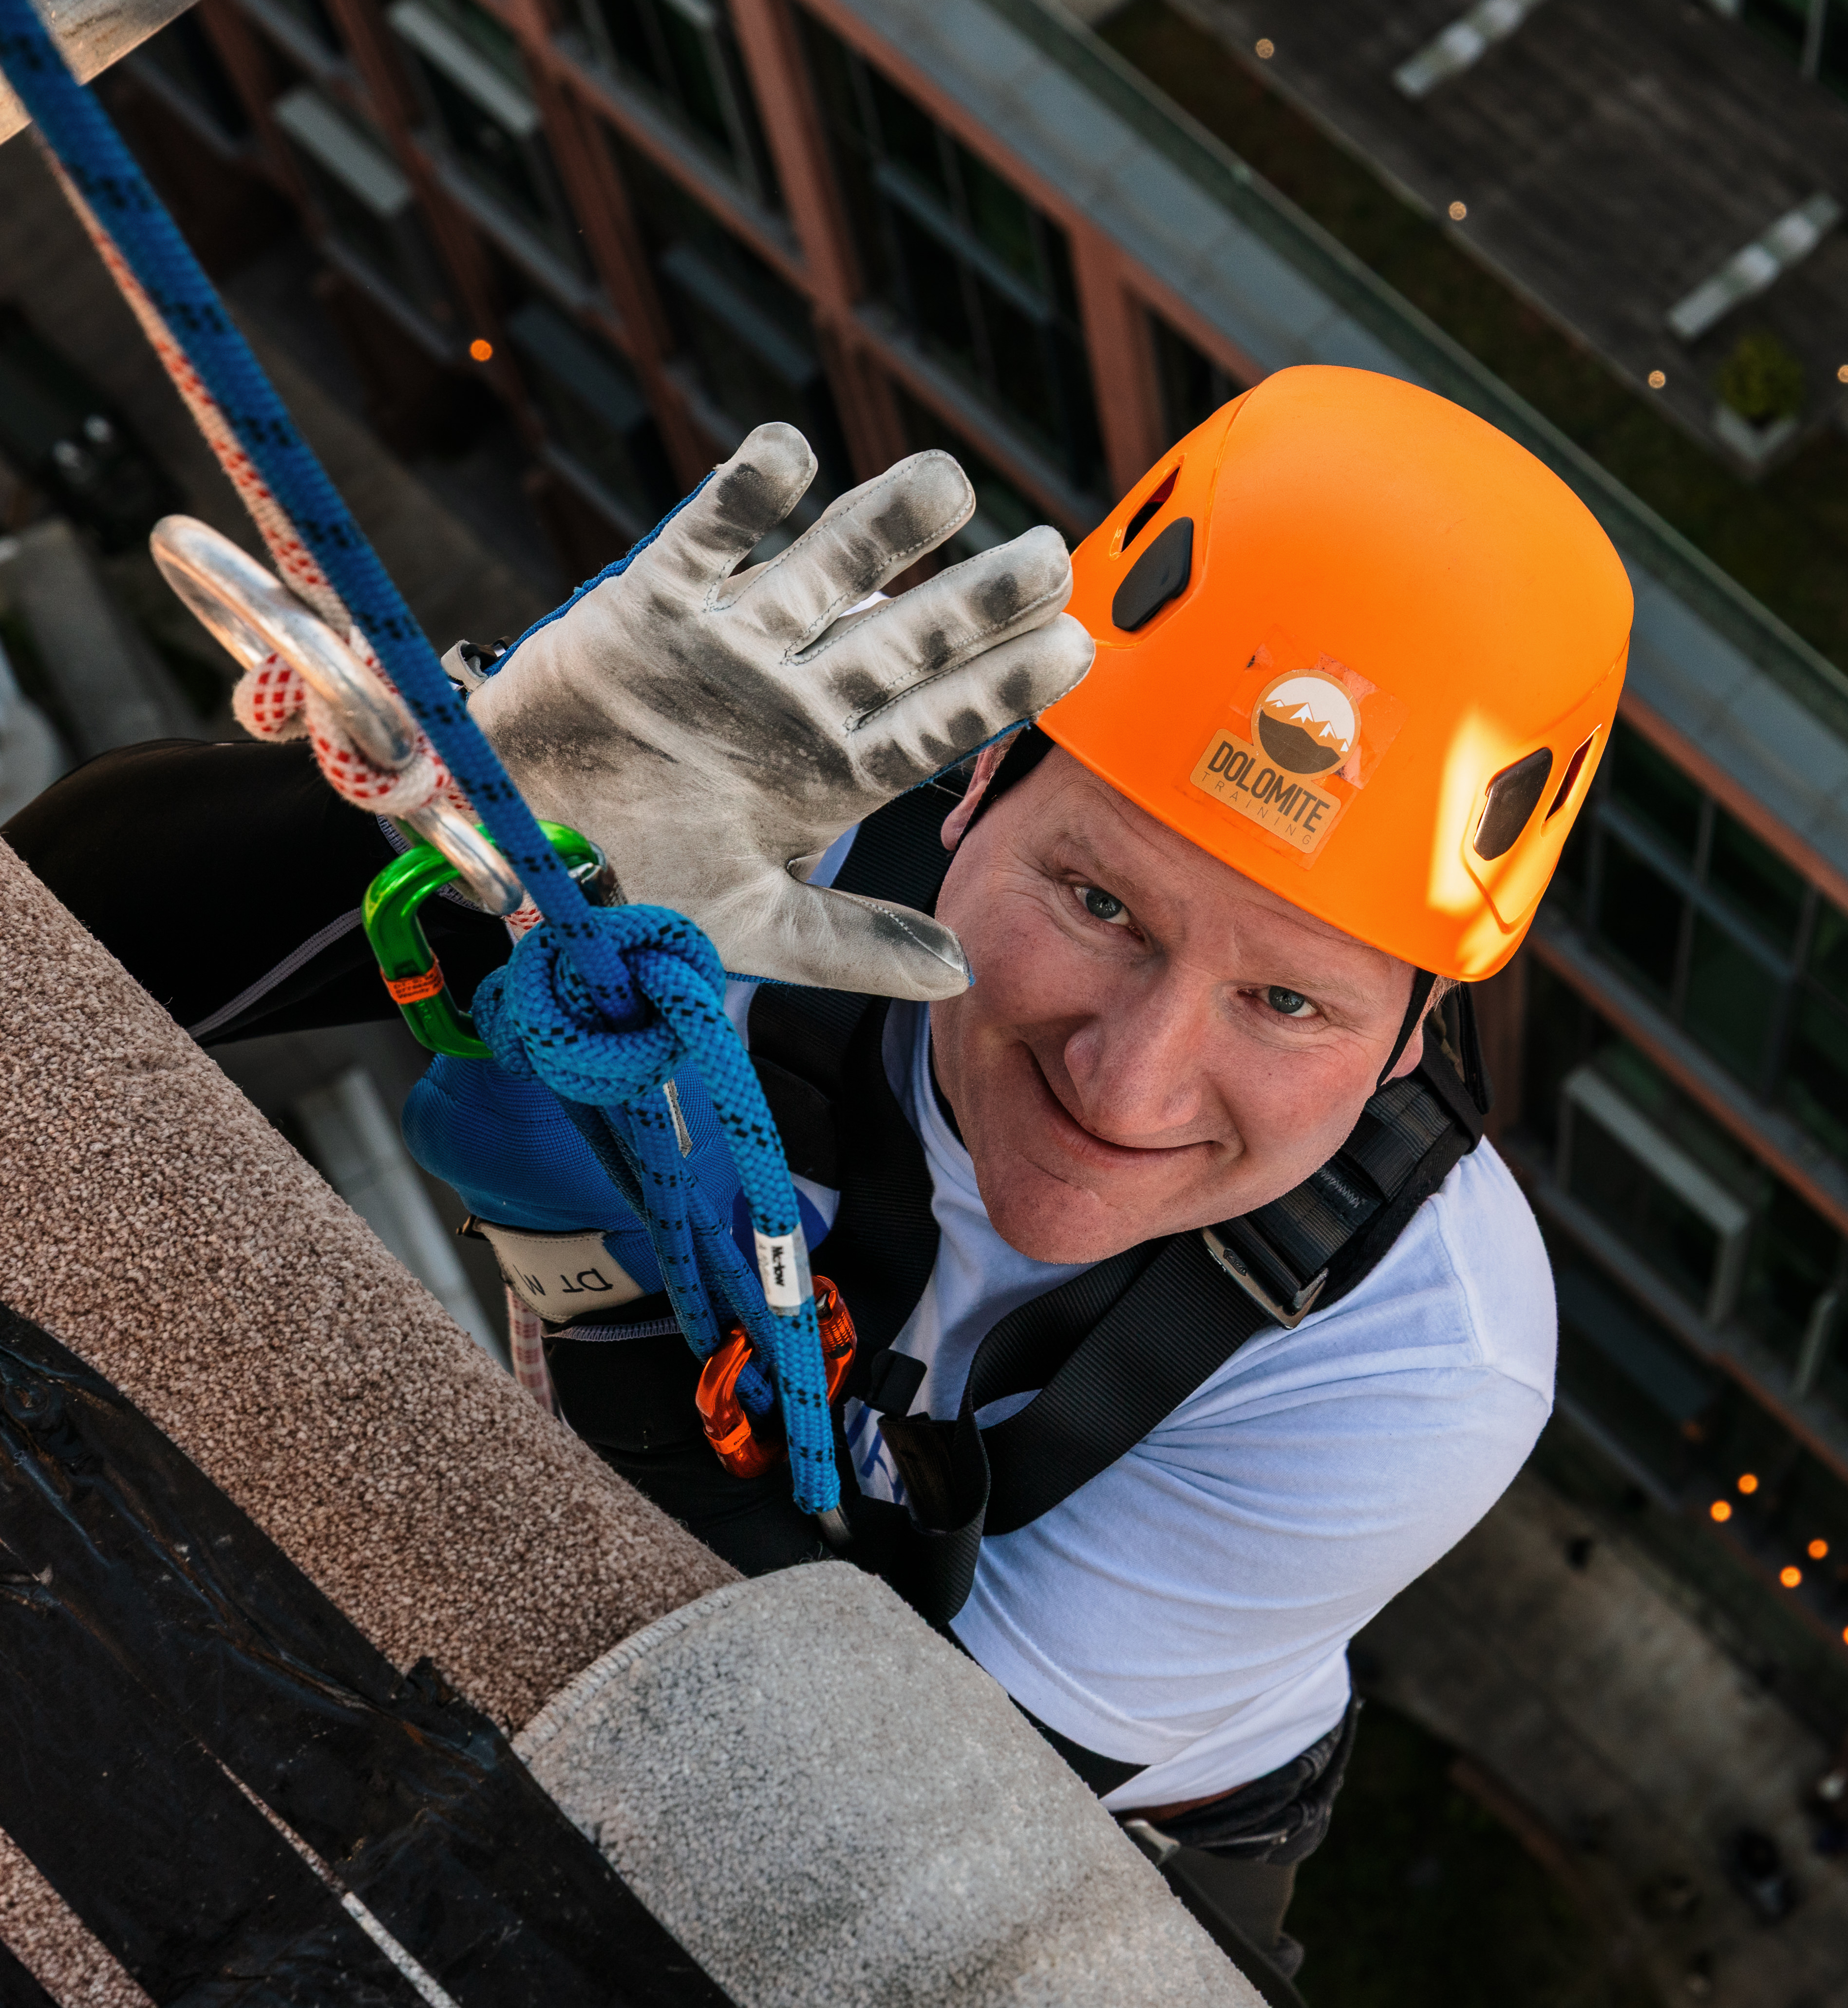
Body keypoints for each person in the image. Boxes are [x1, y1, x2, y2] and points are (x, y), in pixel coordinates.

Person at [6, 364, 1632, 1974]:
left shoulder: (1413, 1359)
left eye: (1289, 1002)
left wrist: (594, 1290)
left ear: (1415, 1037)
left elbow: (863, 1802)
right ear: (978, 789)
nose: (1128, 1081)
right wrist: (479, 831)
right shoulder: (747, 864)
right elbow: (74, 934)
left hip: (1113, 1825)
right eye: (1097, 903)